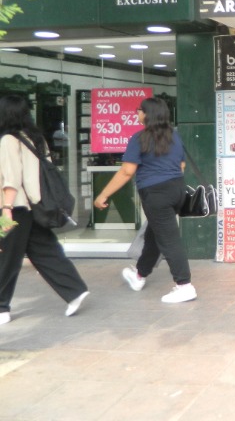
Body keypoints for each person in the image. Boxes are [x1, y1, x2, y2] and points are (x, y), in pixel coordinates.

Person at [94, 97, 197, 304]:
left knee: (169, 240)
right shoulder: (174, 136)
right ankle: (139, 274)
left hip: (156, 193)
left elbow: (127, 171)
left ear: (148, 114)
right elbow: (182, 166)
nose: (137, 113)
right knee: (154, 234)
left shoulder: (139, 138)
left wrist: (104, 194)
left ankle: (185, 286)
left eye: (139, 110)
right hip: (176, 189)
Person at [0, 94, 89, 324]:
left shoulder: (8, 140)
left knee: (6, 255)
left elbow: (11, 178)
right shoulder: (35, 137)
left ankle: (1, 307)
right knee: (45, 250)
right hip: (35, 206)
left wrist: (6, 208)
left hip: (14, 207)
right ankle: (75, 290)